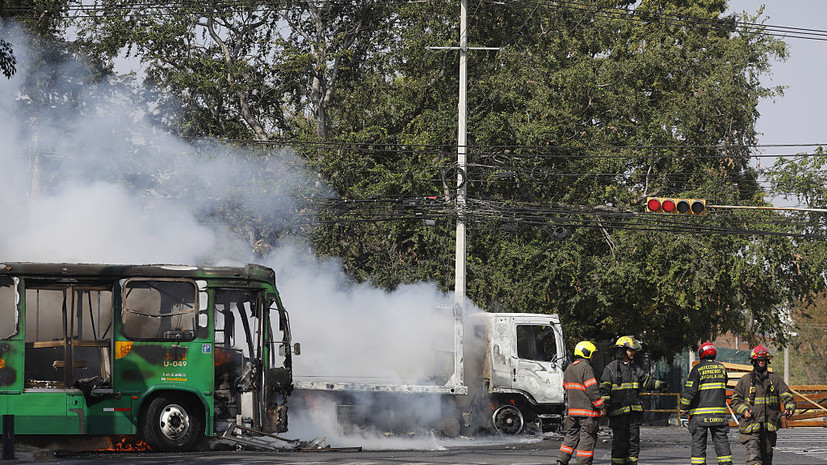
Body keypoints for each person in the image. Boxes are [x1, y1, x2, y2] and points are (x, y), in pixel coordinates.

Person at [599, 335, 668, 465]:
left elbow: (646, 381)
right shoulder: (611, 368)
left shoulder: (635, 368)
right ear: (623, 350)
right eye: (631, 350)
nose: (633, 353)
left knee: (633, 443)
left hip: (633, 415)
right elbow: (604, 390)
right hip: (618, 415)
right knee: (619, 444)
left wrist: (660, 385)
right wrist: (604, 407)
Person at [730, 345, 796, 465]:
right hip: (751, 427)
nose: (761, 363)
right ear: (754, 361)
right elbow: (735, 400)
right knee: (753, 459)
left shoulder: (775, 380)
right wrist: (744, 410)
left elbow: (787, 396)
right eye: (759, 360)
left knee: (766, 459)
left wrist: (790, 407)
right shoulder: (745, 381)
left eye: (763, 361)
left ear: (767, 361)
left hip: (768, 428)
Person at [680, 342, 732, 465]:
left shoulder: (697, 369)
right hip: (718, 416)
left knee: (699, 444)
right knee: (722, 442)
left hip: (700, 416)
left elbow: (690, 391)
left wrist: (683, 407)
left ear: (701, 354)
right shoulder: (721, 368)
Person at [557, 340, 606, 465]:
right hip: (587, 413)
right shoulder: (586, 368)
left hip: (572, 412)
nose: (594, 357)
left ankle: (561, 461)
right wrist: (601, 407)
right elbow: (592, 390)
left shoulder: (569, 368)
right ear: (586, 353)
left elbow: (565, 386)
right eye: (593, 354)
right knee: (587, 439)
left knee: (570, 437)